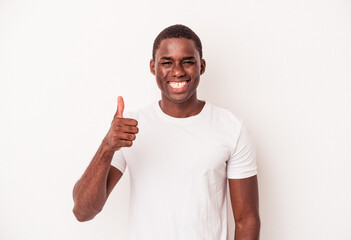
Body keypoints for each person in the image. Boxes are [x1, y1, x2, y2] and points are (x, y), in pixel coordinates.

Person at [72, 24, 260, 240]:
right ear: (153, 67)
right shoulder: (131, 127)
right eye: (167, 63)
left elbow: (247, 219)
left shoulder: (232, 128)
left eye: (188, 62)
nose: (178, 71)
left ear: (202, 66)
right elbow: (83, 211)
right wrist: (107, 147)